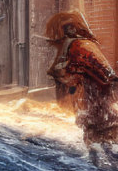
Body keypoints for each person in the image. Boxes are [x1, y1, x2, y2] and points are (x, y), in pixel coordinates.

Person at [46, 10, 118, 162]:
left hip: (98, 111)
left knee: (106, 152)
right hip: (89, 112)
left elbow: (107, 75)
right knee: (97, 153)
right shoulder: (71, 47)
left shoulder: (82, 46)